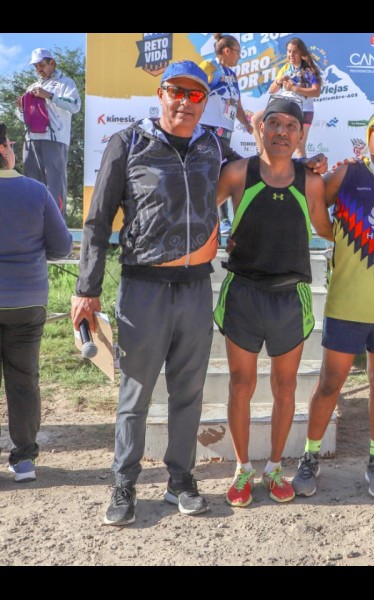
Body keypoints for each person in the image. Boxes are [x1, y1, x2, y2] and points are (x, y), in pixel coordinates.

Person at [71, 61, 238, 526]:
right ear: (161, 94)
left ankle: (180, 479)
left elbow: (261, 170)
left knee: (188, 391)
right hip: (143, 288)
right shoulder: (128, 142)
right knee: (136, 392)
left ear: (206, 102)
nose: (185, 101)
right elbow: (98, 220)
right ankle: (124, 483)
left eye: (195, 94)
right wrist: (86, 289)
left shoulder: (213, 146)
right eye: (176, 91)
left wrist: (308, 166)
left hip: (195, 287)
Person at [291, 108, 374, 499]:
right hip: (347, 304)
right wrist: (340, 234)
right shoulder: (347, 174)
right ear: (368, 138)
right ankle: (310, 457)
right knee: (329, 384)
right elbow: (316, 209)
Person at [213, 96, 333, 507]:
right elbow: (199, 211)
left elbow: (328, 229)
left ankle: (276, 467)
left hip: (289, 296)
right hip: (243, 292)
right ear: (260, 128)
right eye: (274, 123)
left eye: (290, 126)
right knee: (241, 384)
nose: (282, 132)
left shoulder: (310, 181)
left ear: (300, 135)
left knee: (285, 387)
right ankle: (243, 468)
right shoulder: (236, 173)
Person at [0, 122, 73, 483]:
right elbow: (61, 247)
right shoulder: (37, 191)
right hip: (26, 303)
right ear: (3, 149)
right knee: (24, 379)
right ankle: (24, 460)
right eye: (11, 144)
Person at [15, 48, 81, 221]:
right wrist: (21, 109)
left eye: (41, 65)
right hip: (31, 141)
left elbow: (75, 105)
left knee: (55, 186)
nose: (39, 69)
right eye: (35, 66)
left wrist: (50, 96)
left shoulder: (66, 83)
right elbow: (24, 117)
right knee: (31, 186)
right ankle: (33, 225)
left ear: (52, 63)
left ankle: (57, 227)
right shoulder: (32, 87)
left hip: (55, 140)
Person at [200, 33, 254, 236]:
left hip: (225, 130)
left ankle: (223, 218)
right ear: (227, 51)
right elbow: (196, 93)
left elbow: (237, 104)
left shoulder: (232, 74)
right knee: (212, 173)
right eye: (238, 52)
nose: (239, 56)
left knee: (224, 172)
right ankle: (219, 219)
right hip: (208, 129)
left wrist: (247, 124)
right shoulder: (208, 67)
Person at [268, 37, 322, 159]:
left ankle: (303, 170)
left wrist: (294, 88)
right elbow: (272, 90)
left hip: (304, 111)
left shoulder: (309, 70)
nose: (291, 55)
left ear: (301, 53)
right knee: (257, 120)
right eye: (289, 51)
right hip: (285, 111)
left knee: (298, 146)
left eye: (295, 52)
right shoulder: (285, 68)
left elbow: (316, 92)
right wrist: (278, 81)